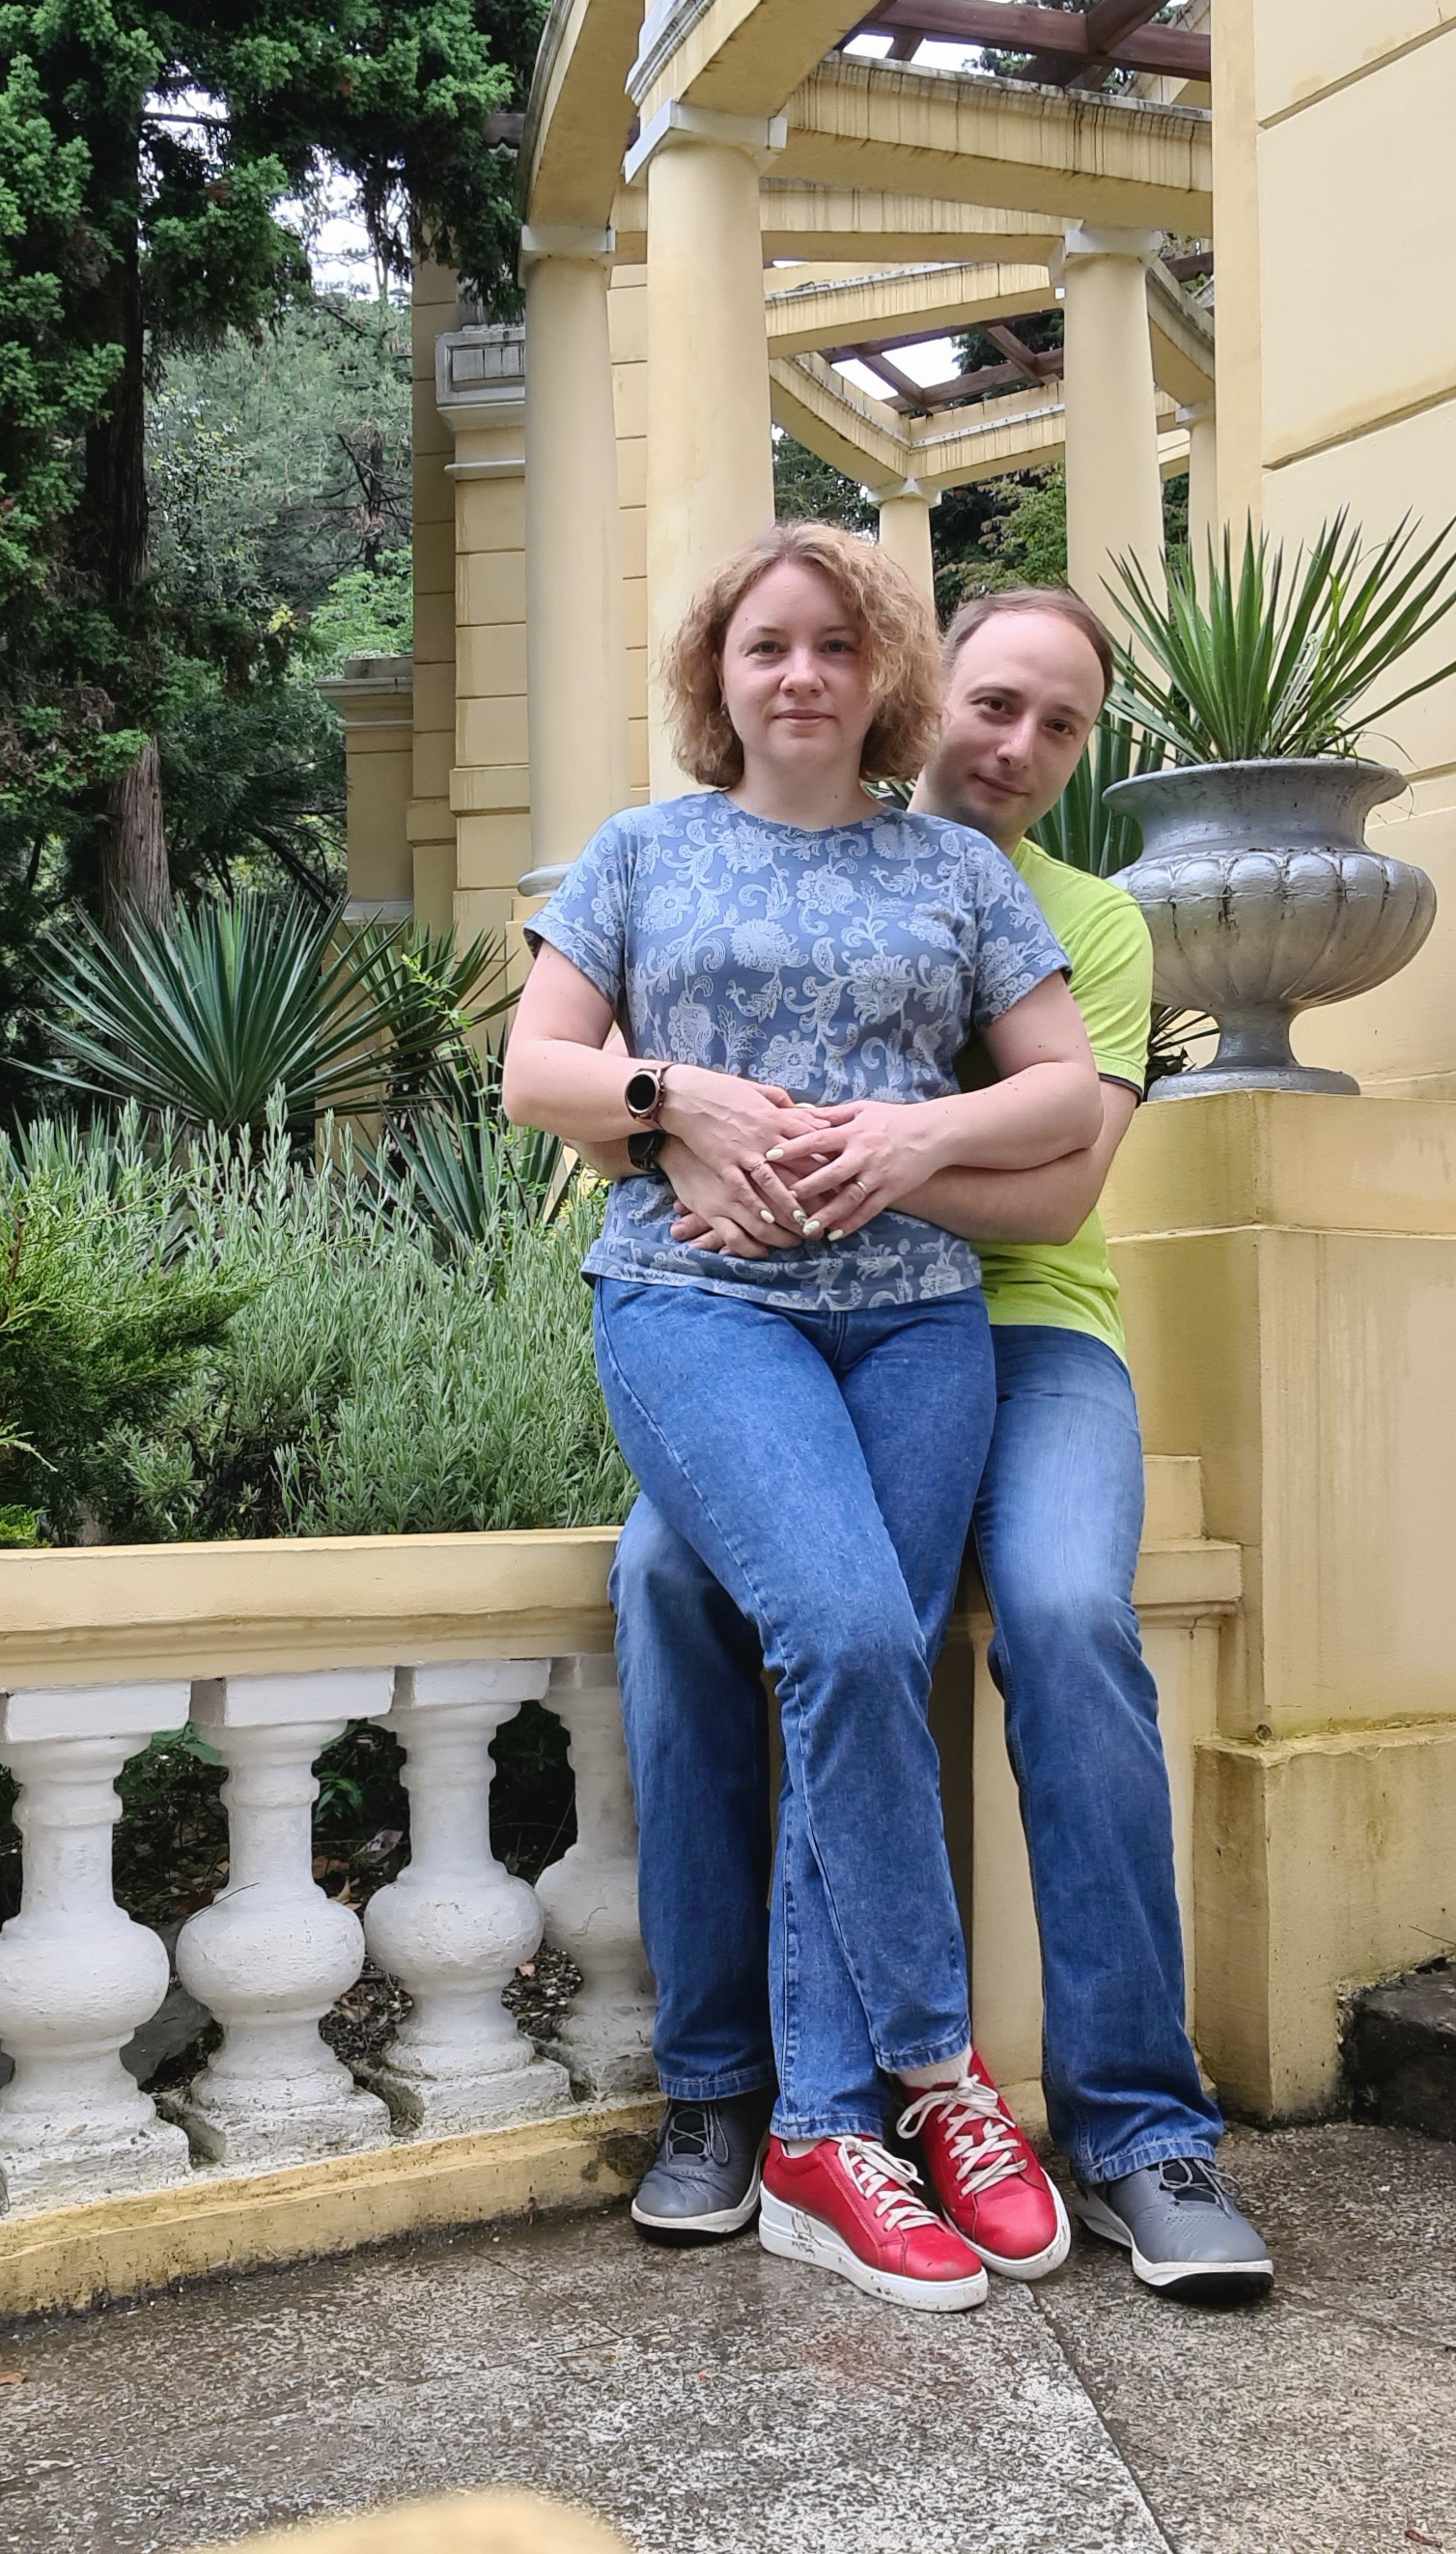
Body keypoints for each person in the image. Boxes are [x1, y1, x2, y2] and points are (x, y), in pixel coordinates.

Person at [612, 586, 1277, 2305]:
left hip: (1026, 1328)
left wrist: (868, 1164)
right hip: (769, 1320)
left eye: (1063, 725)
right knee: (673, 1583)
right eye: (997, 703)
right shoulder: (745, 855)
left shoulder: (1086, 920)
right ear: (932, 688)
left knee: (1060, 1613)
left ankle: (1136, 2130)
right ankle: (727, 2088)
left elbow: (1055, 1192)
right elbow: (603, 1078)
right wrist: (687, 1144)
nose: (1021, 747)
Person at [502, 526, 1104, 2315]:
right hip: (700, 1309)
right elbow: (535, 1070)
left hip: (916, 1326)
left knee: (874, 1667)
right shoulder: (640, 852)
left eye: (838, 646)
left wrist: (920, 1137)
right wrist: (674, 1099)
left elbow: (1064, 1095)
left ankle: (821, 2134)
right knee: (839, 1632)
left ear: (884, 672)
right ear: (719, 670)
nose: (803, 676)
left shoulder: (956, 870)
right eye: (768, 645)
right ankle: (936, 2068)